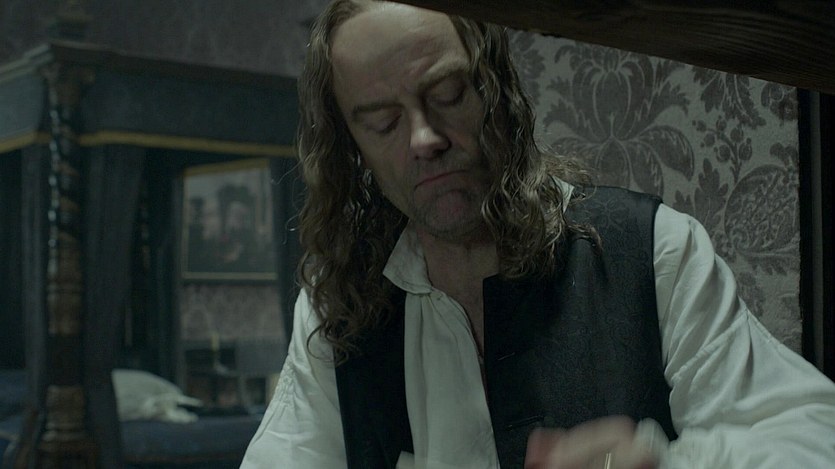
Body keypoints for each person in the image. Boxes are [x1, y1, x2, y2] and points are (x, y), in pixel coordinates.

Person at [242, 1, 835, 467]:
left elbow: (813, 439)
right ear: (354, 150)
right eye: (383, 123)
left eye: (449, 95)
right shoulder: (337, 307)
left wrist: (665, 464)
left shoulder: (654, 249)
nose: (424, 138)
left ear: (496, 91)